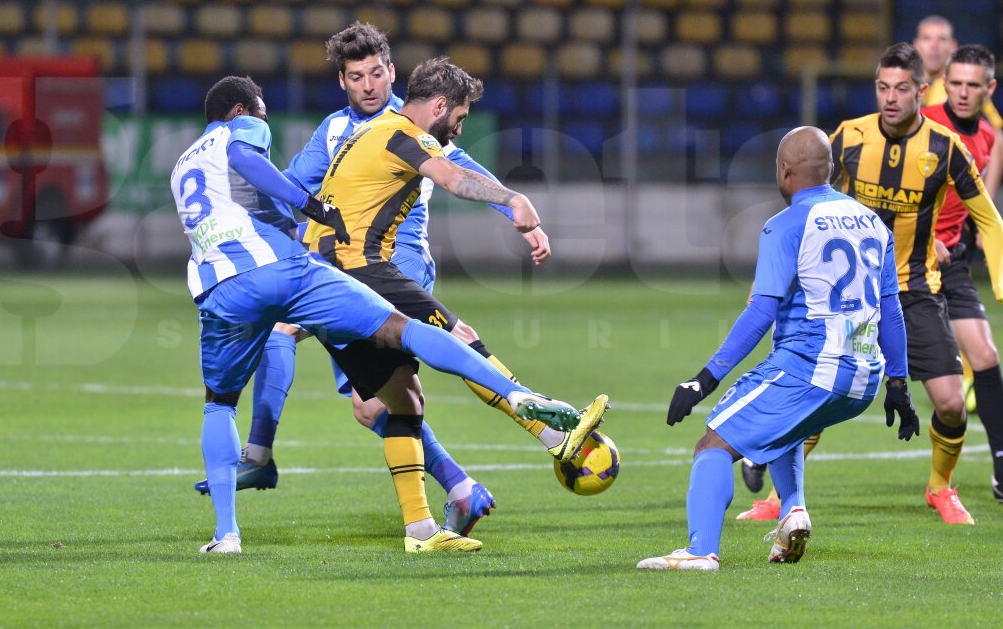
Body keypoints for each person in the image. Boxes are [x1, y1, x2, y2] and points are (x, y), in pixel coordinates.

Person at [176, 75, 586, 555]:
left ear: (391, 73)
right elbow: (254, 162)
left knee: (227, 402)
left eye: (375, 72)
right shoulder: (253, 130)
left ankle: (228, 532)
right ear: (242, 111)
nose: (368, 83)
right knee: (407, 336)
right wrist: (309, 205)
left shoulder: (186, 162)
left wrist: (295, 215)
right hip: (324, 268)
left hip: (217, 289)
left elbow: (253, 204)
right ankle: (522, 404)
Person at [735, 42, 1003, 525]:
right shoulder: (849, 137)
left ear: (923, 90)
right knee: (816, 393)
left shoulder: (946, 148)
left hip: (916, 290)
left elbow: (988, 217)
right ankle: (780, 500)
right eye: (883, 87)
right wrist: (774, 277)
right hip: (850, 292)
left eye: (902, 88)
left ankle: (940, 488)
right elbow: (807, 207)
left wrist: (1000, 282)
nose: (891, 98)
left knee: (950, 404)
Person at [302, 56, 610, 471]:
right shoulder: (399, 133)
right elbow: (452, 176)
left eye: (376, 73)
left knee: (394, 397)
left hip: (324, 271)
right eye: (461, 117)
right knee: (431, 358)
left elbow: (459, 165)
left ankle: (428, 520)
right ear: (441, 105)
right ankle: (535, 416)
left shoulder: (370, 131)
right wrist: (514, 200)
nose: (461, 129)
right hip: (362, 267)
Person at [637, 127, 919, 571]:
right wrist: (899, 383)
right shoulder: (871, 222)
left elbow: (759, 312)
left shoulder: (784, 225)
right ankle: (793, 512)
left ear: (785, 171)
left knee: (713, 442)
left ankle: (700, 551)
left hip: (812, 366)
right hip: (865, 377)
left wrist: (704, 378)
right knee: (783, 425)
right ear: (830, 169)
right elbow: (892, 308)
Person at [921, 45, 1003, 500]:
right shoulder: (922, 122)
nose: (964, 93)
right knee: (847, 369)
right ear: (944, 83)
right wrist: (922, 237)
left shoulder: (990, 137)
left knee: (986, 356)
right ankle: (759, 449)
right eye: (956, 84)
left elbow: (981, 209)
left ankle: (1001, 465)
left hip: (950, 264)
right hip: (901, 260)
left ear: (989, 88)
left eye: (974, 85)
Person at [914, 15, 1002, 133]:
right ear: (916, 45)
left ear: (953, 46)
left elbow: (996, 135)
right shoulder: (903, 87)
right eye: (927, 38)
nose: (934, 46)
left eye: (942, 39)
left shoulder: (971, 89)